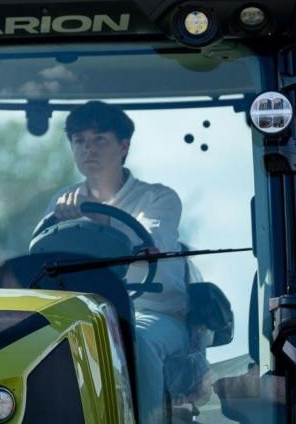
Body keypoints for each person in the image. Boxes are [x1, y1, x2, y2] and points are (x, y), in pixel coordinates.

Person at [46, 100, 190, 424]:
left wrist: (102, 219)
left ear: (123, 146)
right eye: (80, 141)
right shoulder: (61, 203)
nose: (89, 149)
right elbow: (42, 255)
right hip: (81, 314)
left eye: (100, 139)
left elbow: (151, 247)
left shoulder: (159, 199)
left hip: (153, 312)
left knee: (133, 339)